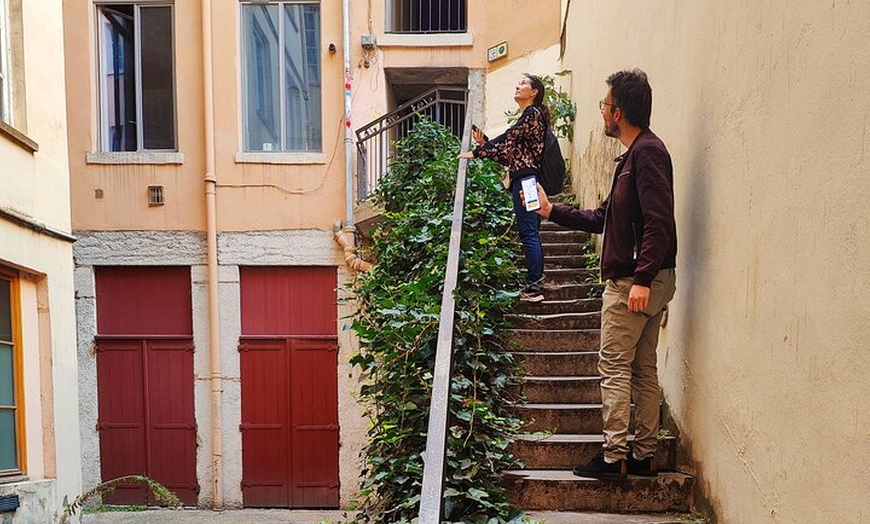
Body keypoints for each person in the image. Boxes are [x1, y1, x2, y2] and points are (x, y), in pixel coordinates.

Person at [532, 69, 677, 480]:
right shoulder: (634, 156)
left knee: (614, 365)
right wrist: (552, 212)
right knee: (644, 367)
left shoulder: (646, 154)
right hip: (645, 277)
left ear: (620, 112)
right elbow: (604, 218)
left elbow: (659, 221)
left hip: (635, 280)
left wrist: (643, 279)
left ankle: (615, 457)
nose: (603, 112)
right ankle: (645, 455)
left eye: (605, 105)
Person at [459, 74, 550, 302]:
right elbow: (510, 155)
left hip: (528, 181)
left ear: (534, 92)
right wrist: (485, 144)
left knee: (529, 231)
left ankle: (535, 287)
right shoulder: (528, 119)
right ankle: (535, 283)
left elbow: (509, 138)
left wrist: (478, 152)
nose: (518, 86)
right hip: (526, 178)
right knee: (530, 231)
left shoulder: (533, 114)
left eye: (523, 84)